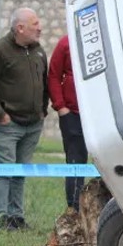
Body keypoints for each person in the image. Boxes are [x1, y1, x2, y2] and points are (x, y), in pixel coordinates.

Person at [0, 8, 48, 231]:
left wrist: (42, 110)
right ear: (20, 28)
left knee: (20, 172)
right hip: (7, 124)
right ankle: (0, 219)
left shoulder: (38, 51)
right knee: (5, 170)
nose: (40, 28)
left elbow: (44, 80)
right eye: (35, 23)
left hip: (32, 124)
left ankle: (16, 218)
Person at [48, 34, 88, 210]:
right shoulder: (65, 43)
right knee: (75, 160)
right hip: (72, 114)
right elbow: (54, 75)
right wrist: (61, 107)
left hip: (98, 114)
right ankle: (74, 206)